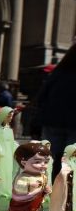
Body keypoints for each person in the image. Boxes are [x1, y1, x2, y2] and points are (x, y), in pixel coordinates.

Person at [35, 44, 76, 179]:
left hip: (52, 121)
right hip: (73, 124)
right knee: (71, 161)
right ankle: (65, 193)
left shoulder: (59, 72)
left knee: (51, 158)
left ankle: (49, 189)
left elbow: (41, 96)